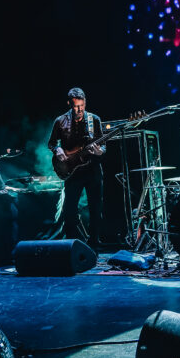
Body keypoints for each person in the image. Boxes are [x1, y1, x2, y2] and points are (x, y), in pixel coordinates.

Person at [48, 87, 104, 247]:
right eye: (75, 106)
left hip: (93, 170)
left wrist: (100, 151)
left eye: (82, 105)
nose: (79, 110)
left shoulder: (95, 120)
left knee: (95, 211)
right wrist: (57, 149)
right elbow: (51, 143)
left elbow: (103, 144)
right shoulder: (60, 121)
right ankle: (79, 244)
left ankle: (93, 245)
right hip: (72, 171)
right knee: (68, 213)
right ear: (69, 104)